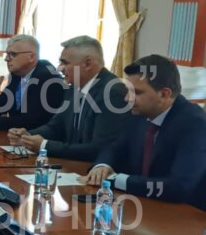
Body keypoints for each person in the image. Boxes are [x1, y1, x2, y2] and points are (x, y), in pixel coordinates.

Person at [86, 55, 206, 205]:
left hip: (183, 213)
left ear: (164, 94)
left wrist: (116, 180)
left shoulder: (195, 124)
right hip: (143, 204)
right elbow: (115, 148)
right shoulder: (141, 113)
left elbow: (178, 188)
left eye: (136, 92)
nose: (127, 98)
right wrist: (102, 166)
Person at [7, 35, 131, 161]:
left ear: (87, 64)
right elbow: (56, 126)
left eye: (65, 63)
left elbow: (99, 149)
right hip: (70, 164)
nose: (59, 68)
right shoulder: (74, 87)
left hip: (92, 168)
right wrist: (27, 135)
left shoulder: (112, 92)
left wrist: (44, 145)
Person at [0, 34, 66, 131]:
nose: (6, 59)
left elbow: (30, 121)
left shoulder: (47, 78)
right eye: (7, 54)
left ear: (31, 57)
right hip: (17, 135)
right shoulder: (17, 73)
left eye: (12, 54)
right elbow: (3, 102)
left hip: (36, 138)